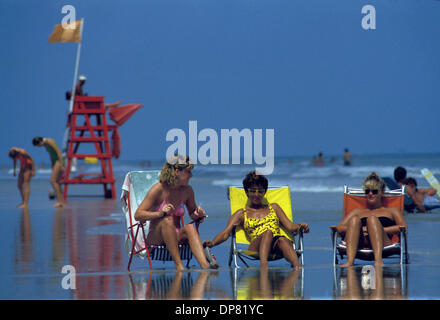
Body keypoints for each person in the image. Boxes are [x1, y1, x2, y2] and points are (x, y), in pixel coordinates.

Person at [204, 170, 310, 270]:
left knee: (283, 240)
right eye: (253, 191)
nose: (256, 194)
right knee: (268, 232)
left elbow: (290, 227)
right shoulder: (241, 213)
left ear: (264, 192)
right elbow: (225, 233)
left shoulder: (274, 208)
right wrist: (212, 243)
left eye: (260, 191)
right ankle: (264, 266)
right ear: (246, 192)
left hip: (275, 245)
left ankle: (297, 268)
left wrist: (300, 226)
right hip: (256, 247)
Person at [134, 155, 217, 271]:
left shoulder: (187, 191)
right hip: (157, 237)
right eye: (188, 172)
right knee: (167, 220)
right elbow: (138, 215)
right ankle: (179, 266)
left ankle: (205, 266)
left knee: (189, 228)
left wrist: (198, 214)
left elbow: (192, 213)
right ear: (177, 172)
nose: (191, 175)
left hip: (176, 235)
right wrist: (160, 213)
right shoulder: (159, 189)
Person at [335, 172, 407, 267]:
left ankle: (378, 261)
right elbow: (339, 228)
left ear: (382, 192)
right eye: (367, 191)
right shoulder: (357, 212)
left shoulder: (392, 211)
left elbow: (404, 228)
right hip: (360, 243)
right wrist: (361, 230)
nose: (370, 194)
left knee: (372, 219)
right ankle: (350, 261)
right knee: (355, 220)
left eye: (374, 191)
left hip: (384, 243)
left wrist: (378, 230)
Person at [32, 137, 65, 208]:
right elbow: (51, 154)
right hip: (55, 162)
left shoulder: (49, 141)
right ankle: (62, 201)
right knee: (58, 182)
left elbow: (58, 152)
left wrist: (62, 164)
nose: (39, 147)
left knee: (53, 181)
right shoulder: (45, 145)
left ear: (40, 142)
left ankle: (59, 201)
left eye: (38, 146)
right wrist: (52, 164)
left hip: (59, 161)